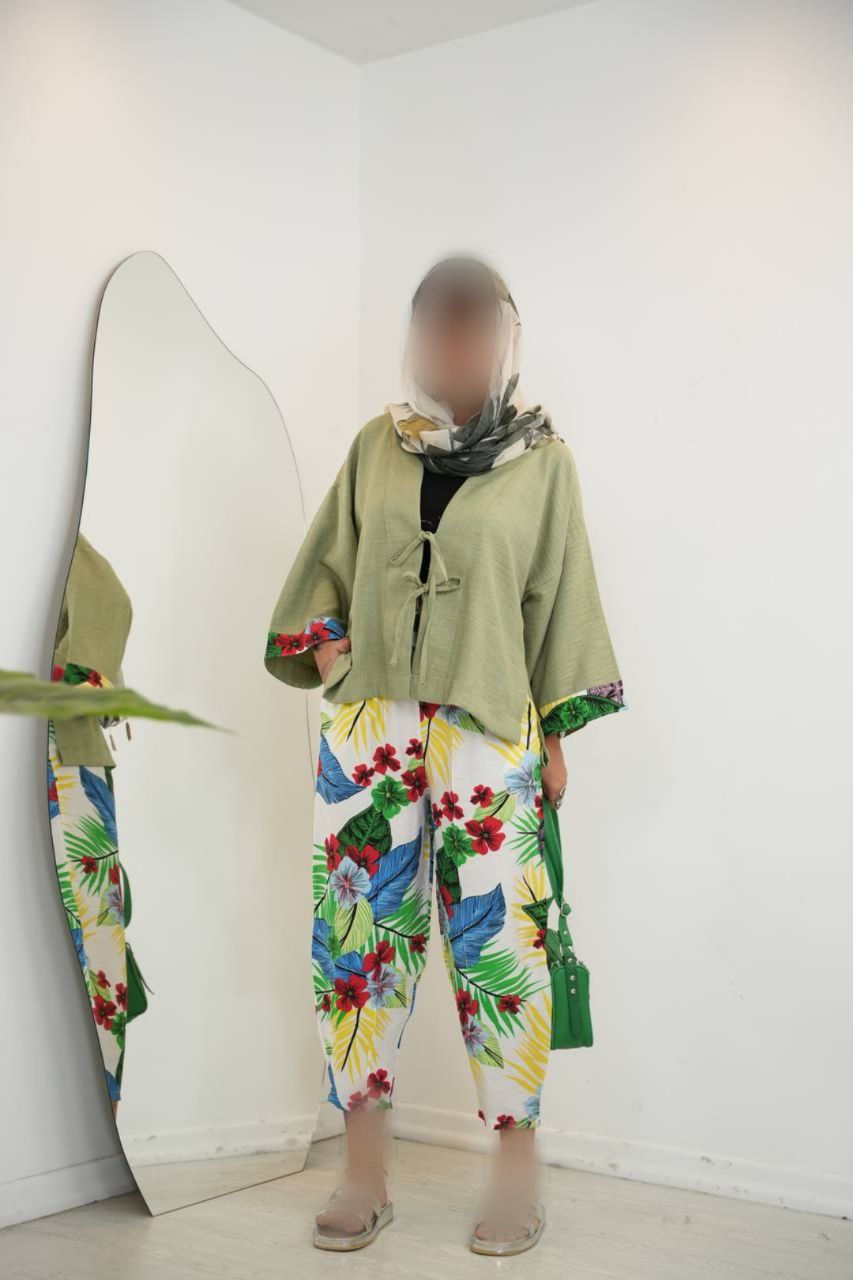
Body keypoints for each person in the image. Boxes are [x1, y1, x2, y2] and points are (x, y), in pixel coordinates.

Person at [265, 254, 626, 1255]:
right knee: (357, 941)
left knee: (500, 951)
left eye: (473, 328)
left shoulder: (542, 464)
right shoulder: (375, 448)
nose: (453, 345)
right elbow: (321, 572)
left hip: (489, 731)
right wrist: (332, 655)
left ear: (502, 340)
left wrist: (553, 737)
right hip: (370, 728)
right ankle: (364, 1175)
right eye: (437, 326)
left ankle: (514, 1181)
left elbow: (558, 599)